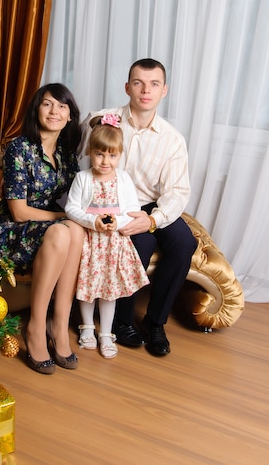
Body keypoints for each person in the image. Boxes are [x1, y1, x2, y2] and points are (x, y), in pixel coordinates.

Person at [79, 58, 197, 356]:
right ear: (127, 87)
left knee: (184, 242)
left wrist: (154, 220)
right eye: (139, 83)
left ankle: (156, 323)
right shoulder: (105, 119)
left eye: (154, 84)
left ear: (164, 90)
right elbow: (81, 150)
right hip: (115, 204)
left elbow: (178, 191)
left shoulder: (172, 139)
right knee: (137, 245)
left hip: (153, 206)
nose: (146, 90)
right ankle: (121, 322)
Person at [0, 83, 85, 374]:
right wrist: (61, 216)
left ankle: (58, 323)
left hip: (44, 225)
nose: (54, 111)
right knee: (63, 229)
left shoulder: (67, 155)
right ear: (36, 110)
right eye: (47, 104)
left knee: (77, 230)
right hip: (11, 229)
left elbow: (83, 195)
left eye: (62, 106)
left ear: (70, 116)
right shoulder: (19, 147)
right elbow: (18, 211)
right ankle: (34, 326)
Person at [65, 114, 149, 359]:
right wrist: (93, 221)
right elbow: (72, 209)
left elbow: (133, 210)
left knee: (109, 290)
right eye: (100, 154)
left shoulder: (123, 179)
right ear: (91, 151)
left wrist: (116, 223)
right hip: (90, 243)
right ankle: (88, 327)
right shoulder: (83, 179)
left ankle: (106, 332)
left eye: (112, 155)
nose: (105, 161)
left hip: (114, 245)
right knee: (88, 286)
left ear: (119, 155)